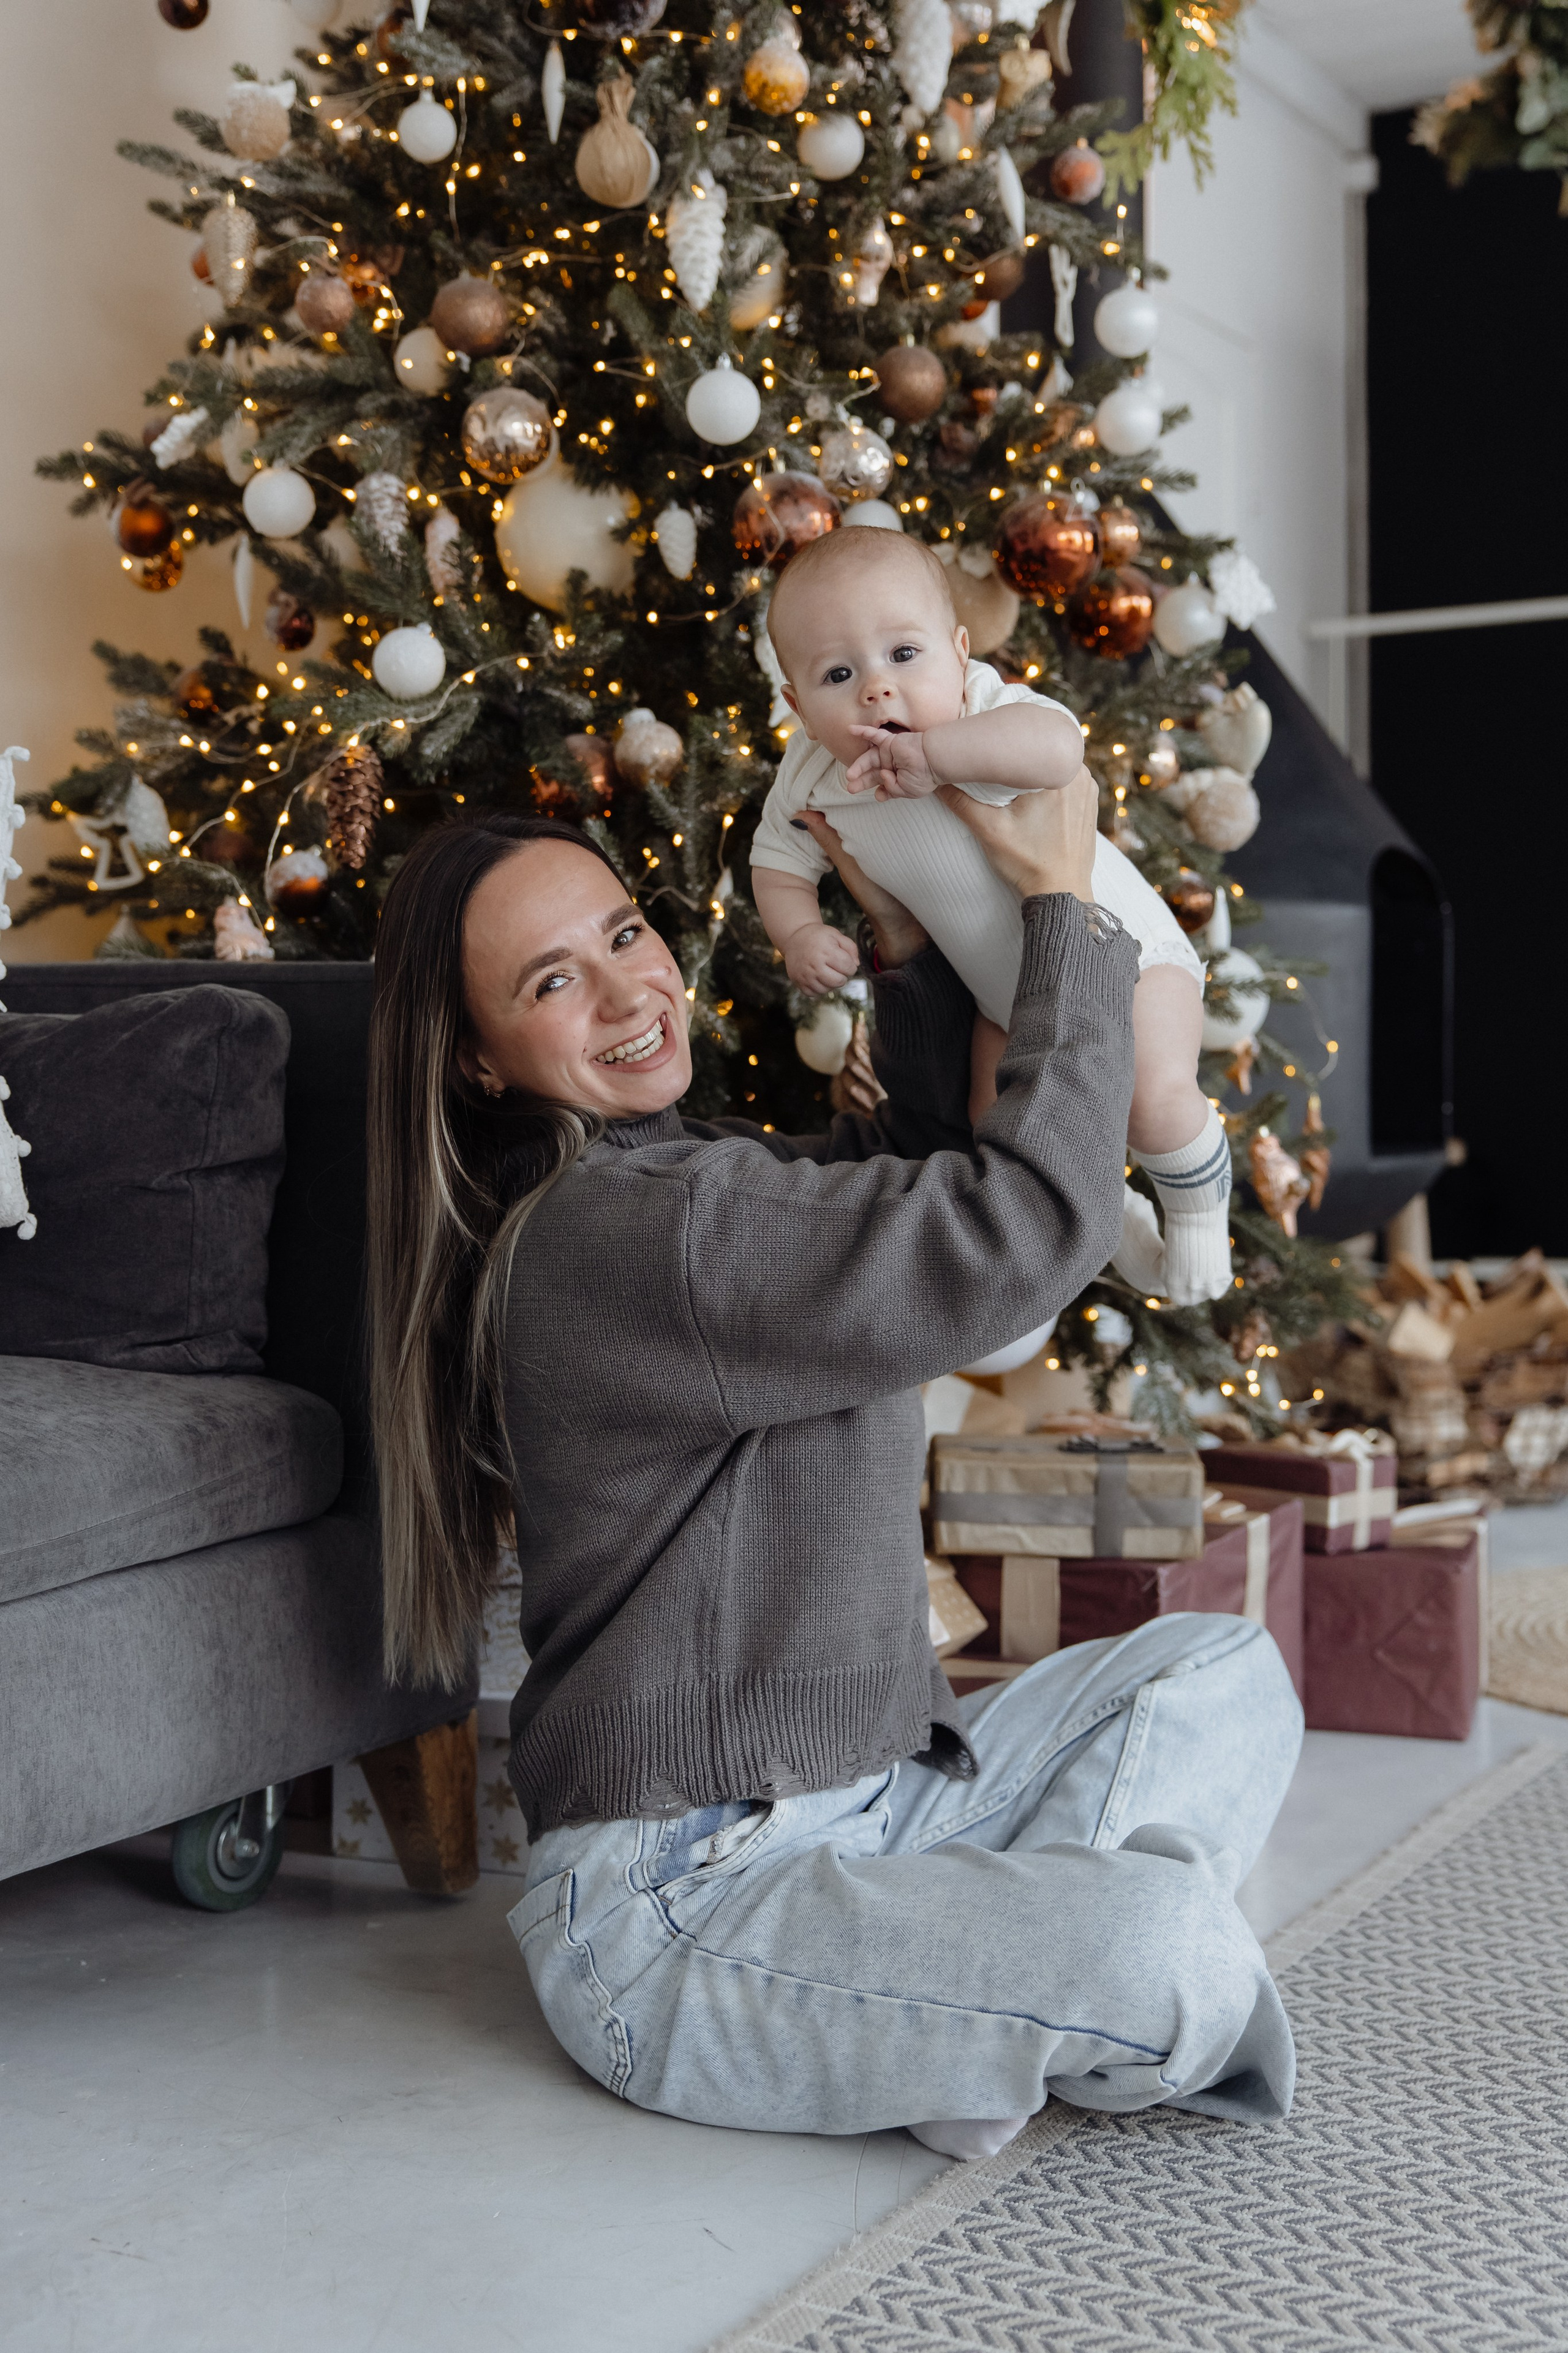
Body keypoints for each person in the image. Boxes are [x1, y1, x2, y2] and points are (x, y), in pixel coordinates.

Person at [365, 781, 1303, 2163]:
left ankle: (956, 1999)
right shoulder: (628, 1233)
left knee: (1225, 1674)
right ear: (478, 1058)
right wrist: (1064, 915)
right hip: (679, 1910)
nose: (630, 991)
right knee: (1179, 1957)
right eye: (553, 979)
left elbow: (906, 1174)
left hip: (869, 1798)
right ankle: (994, 1989)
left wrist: (907, 951)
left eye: (626, 934)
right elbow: (1010, 1231)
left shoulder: (683, 1178)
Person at [750, 526, 1232, 1311]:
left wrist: (942, 755)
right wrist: (799, 930)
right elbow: (776, 861)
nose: (877, 688)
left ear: (958, 649)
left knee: (1154, 1097)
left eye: (905, 655)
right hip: (1003, 1002)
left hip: (1124, 956)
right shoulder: (811, 774)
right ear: (798, 707)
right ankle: (1120, 1232)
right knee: (1003, 1136)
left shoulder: (984, 707)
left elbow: (1059, 749)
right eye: (839, 674)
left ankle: (1198, 1212)